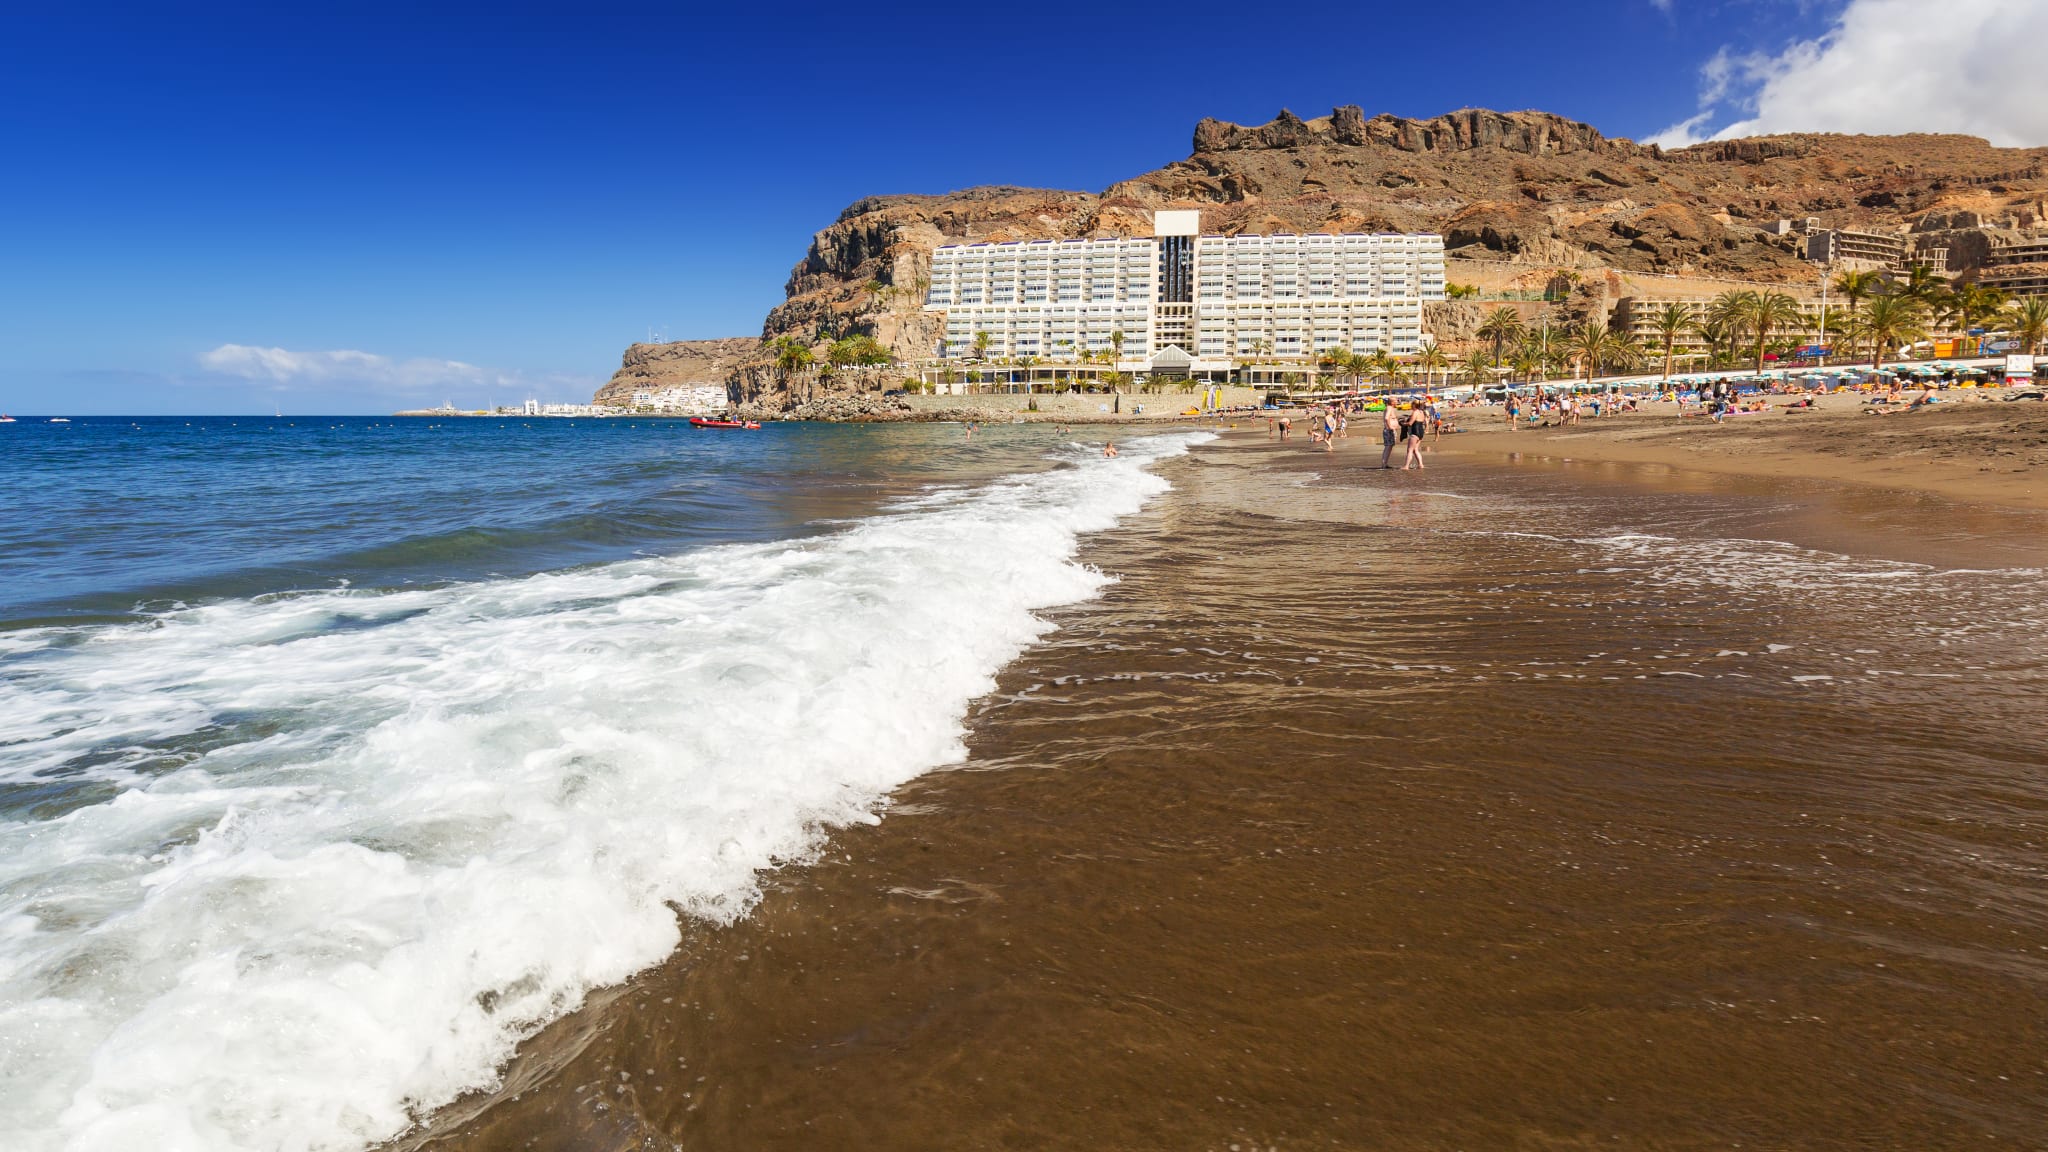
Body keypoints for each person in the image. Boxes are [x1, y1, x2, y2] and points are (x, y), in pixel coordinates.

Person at [1401, 404, 1427, 470]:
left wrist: (1403, 423)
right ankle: (1421, 465)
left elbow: (1410, 423)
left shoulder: (1415, 412)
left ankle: (1406, 466)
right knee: (1415, 450)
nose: (1411, 406)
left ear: (1415, 406)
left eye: (1412, 405)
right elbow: (1422, 421)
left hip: (1415, 432)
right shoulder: (1422, 412)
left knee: (1410, 450)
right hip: (1421, 432)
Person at [1381, 402, 1400, 468]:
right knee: (1388, 447)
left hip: (1390, 430)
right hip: (1389, 430)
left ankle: (1385, 464)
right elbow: (1386, 418)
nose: (1397, 402)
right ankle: (1384, 464)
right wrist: (1390, 427)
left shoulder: (1390, 408)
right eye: (1396, 401)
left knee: (1389, 446)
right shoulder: (1389, 408)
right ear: (1392, 402)